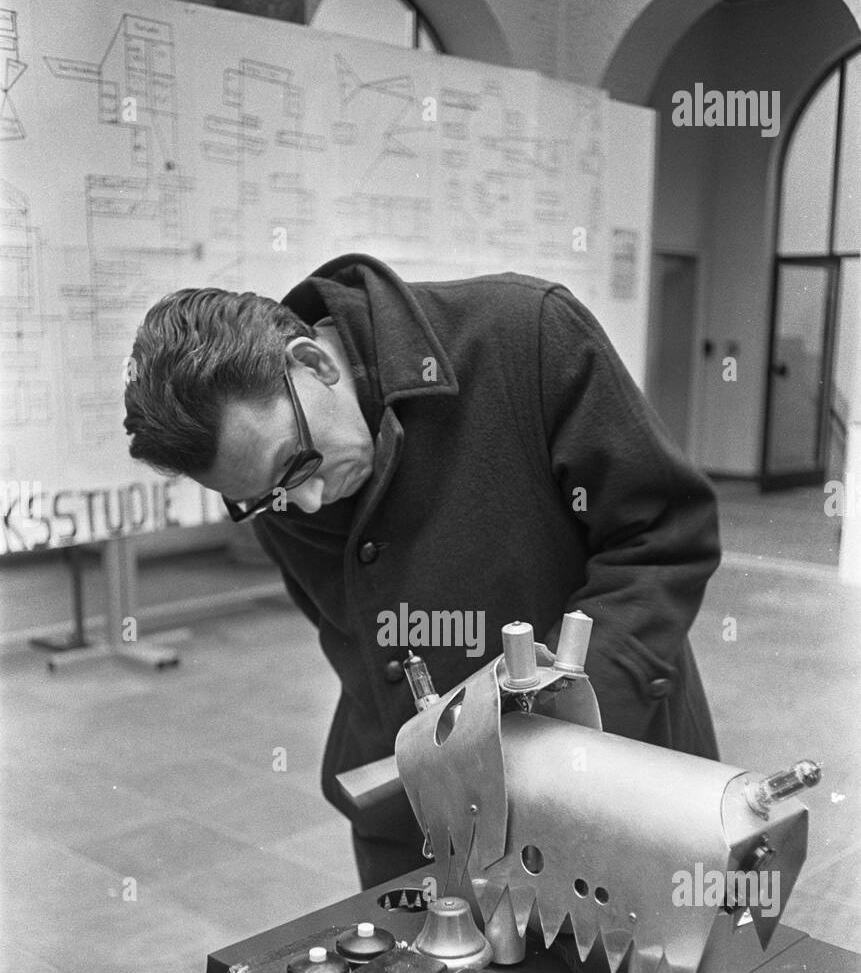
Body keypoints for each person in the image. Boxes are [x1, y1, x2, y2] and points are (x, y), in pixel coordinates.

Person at [124, 252, 721, 890]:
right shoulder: (276, 472)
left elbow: (662, 536)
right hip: (416, 810)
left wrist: (559, 728)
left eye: (296, 468)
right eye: (265, 498)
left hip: (607, 773)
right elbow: (348, 629)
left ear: (314, 363)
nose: (305, 505)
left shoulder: (526, 336)